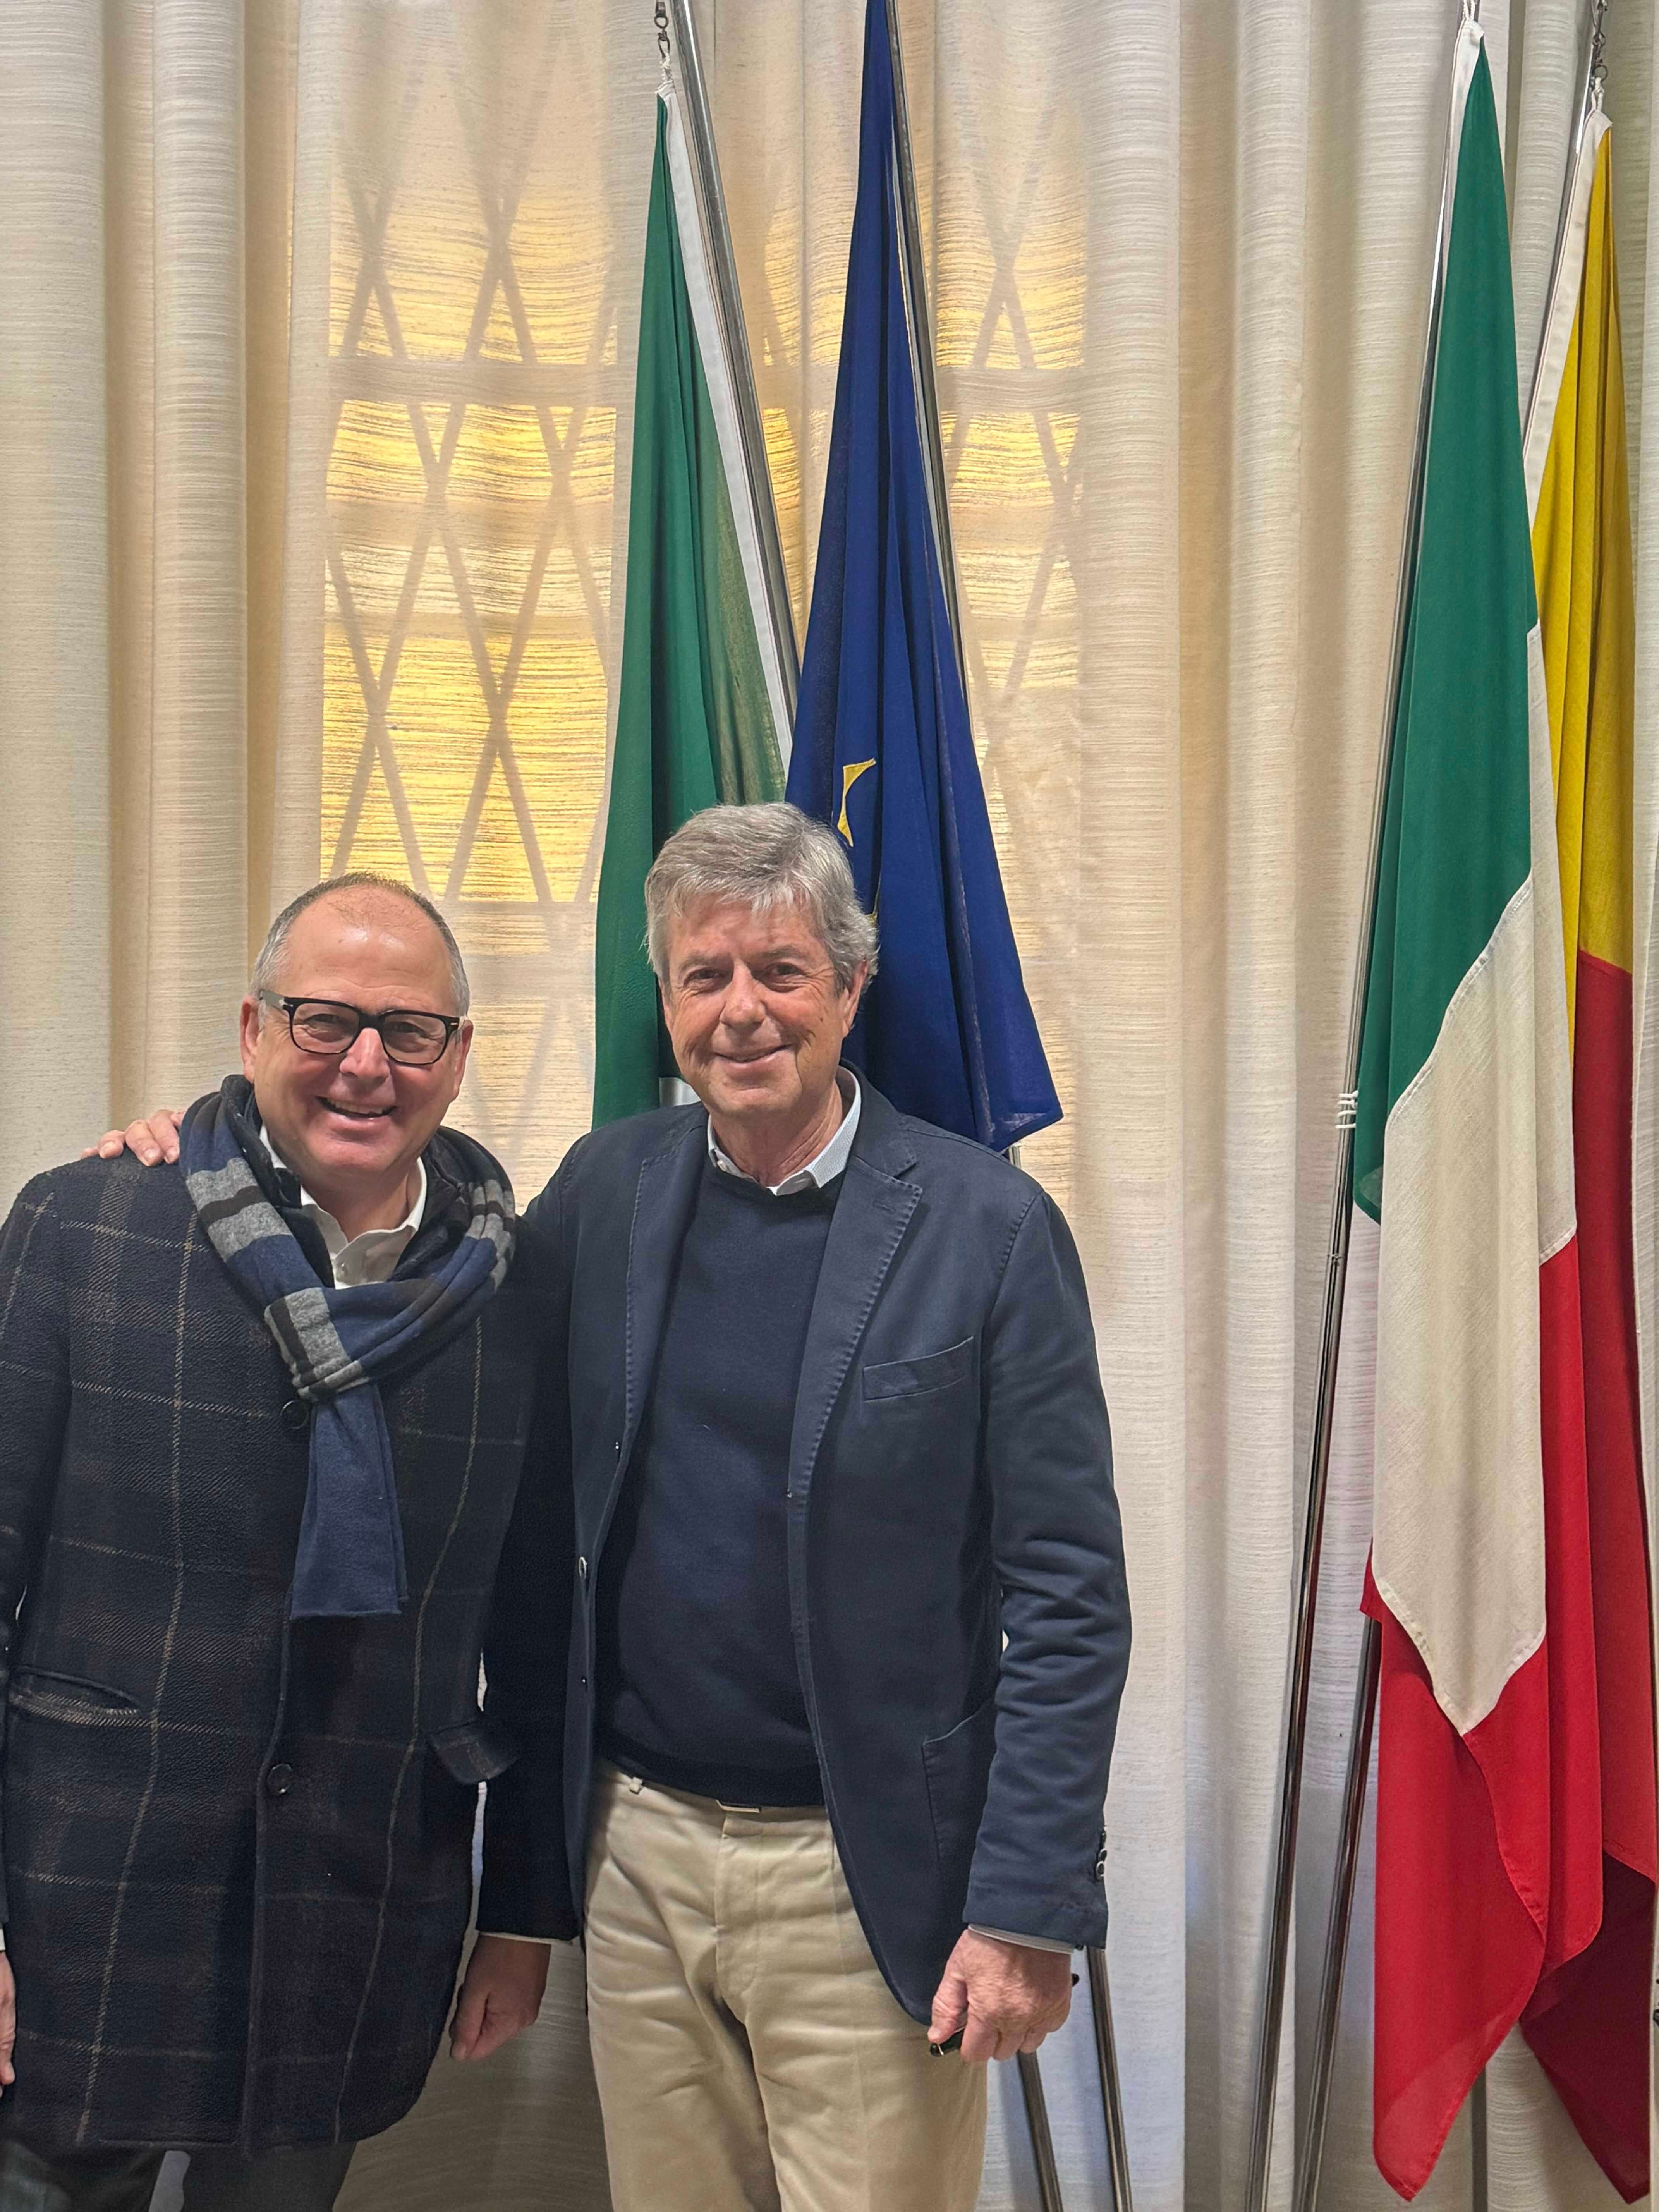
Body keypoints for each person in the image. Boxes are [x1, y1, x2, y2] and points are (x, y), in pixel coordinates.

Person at [532, 801, 1129, 2212]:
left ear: (851, 988)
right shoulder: (604, 1190)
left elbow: (1067, 1596)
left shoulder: (986, 1231)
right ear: (666, 1002)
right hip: (636, 1854)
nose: (741, 1010)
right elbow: (442, 1305)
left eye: (781, 971)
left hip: (862, 1874)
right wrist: (214, 1148)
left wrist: (1026, 1905)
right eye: (704, 975)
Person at [0, 875, 568, 2212]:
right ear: (254, 1029)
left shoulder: (520, 1288)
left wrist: (522, 1913)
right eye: (325, 1020)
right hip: (83, 1905)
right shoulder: (82, 1230)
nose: (366, 1064)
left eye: (409, 1030)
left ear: (457, 1057)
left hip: (357, 1920)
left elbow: (541, 1630)